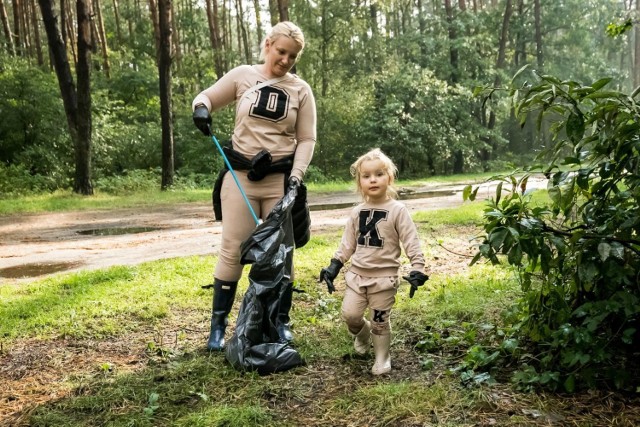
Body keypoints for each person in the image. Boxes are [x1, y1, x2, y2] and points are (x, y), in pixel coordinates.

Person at [192, 21, 316, 351]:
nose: (286, 60)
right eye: (281, 51)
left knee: (281, 255)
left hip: (280, 181)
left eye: (293, 55)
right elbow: (205, 97)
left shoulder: (301, 90)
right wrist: (201, 110)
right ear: (267, 45)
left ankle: (279, 323)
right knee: (233, 249)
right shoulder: (242, 76)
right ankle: (218, 328)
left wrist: (296, 176)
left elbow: (306, 139)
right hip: (240, 179)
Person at [319, 148, 428, 375]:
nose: (373, 179)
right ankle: (362, 333)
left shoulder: (398, 210)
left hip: (383, 279)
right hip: (357, 276)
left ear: (389, 177)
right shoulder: (357, 211)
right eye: (366, 176)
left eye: (379, 174)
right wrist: (334, 265)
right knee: (350, 315)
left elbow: (411, 241)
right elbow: (347, 244)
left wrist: (418, 267)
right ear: (360, 182)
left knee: (380, 320)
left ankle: (382, 357)